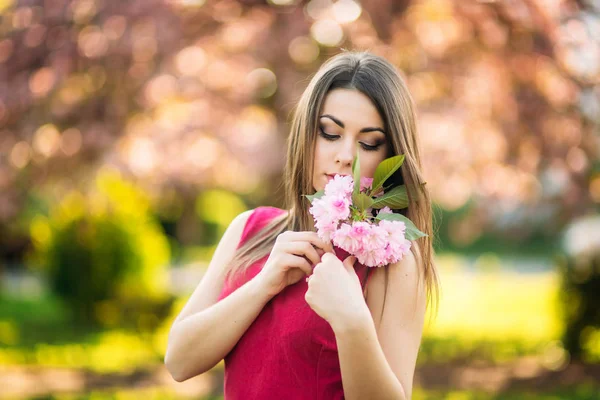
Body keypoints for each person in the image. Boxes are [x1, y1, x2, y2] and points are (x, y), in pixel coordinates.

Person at [164, 50, 440, 400]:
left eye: (369, 142)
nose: (346, 155)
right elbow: (178, 360)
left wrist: (352, 322)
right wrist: (263, 285)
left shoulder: (391, 259)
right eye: (329, 133)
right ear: (306, 134)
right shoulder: (250, 230)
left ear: (390, 157)